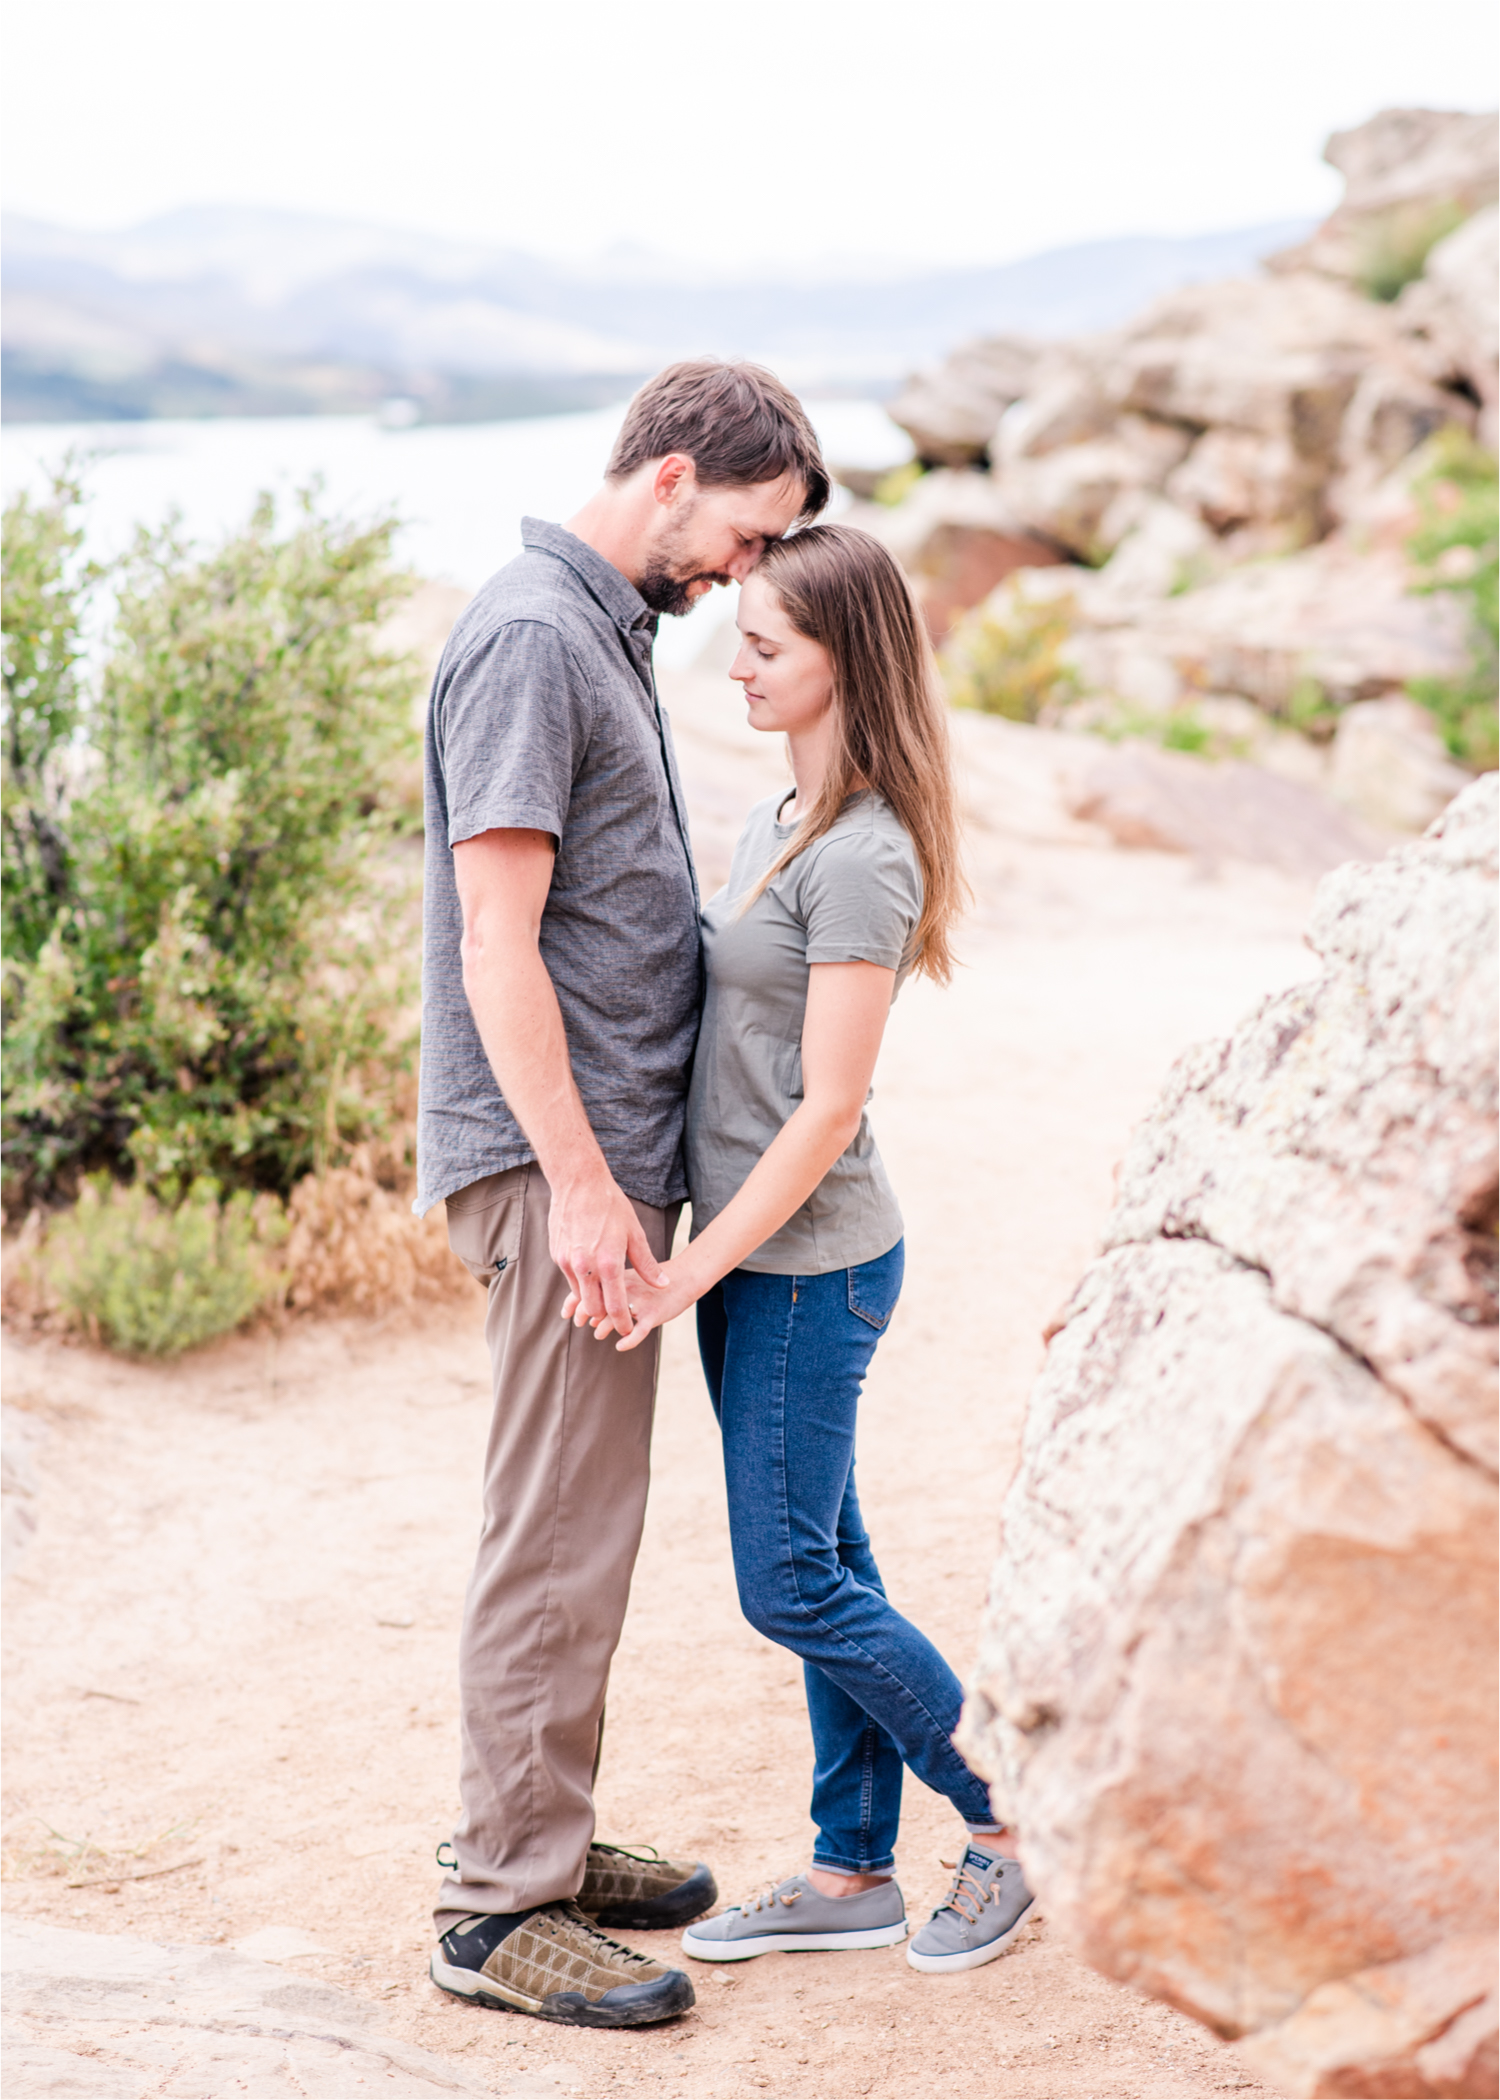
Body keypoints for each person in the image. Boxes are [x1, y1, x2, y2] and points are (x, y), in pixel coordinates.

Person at [417, 361, 829, 2028]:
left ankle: (546, 1836)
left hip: (591, 1161)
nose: (743, 575)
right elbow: (495, 940)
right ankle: (497, 1910)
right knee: (557, 1528)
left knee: (587, 1526)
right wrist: (585, 1191)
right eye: (744, 537)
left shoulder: (590, 627)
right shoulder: (530, 635)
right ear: (670, 478)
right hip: (550, 1167)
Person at [578, 523, 1034, 1975]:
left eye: (768, 642)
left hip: (809, 1264)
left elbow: (830, 1104)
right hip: (761, 1259)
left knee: (788, 1582)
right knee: (825, 1554)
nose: (738, 662)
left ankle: (1012, 1819)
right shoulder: (783, 818)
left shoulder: (867, 859)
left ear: (849, 659)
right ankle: (850, 1872)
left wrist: (692, 1270)